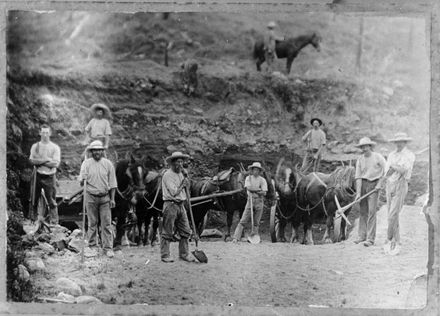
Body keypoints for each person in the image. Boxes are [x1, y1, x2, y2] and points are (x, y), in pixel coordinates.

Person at [79, 140, 117, 258]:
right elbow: (81, 182)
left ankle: (108, 248)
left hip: (105, 197)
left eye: (99, 150)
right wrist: (82, 178)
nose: (97, 152)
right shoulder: (86, 163)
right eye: (95, 150)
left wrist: (112, 199)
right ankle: (92, 247)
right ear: (91, 152)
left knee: (106, 224)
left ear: (102, 151)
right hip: (91, 197)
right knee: (92, 223)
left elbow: (113, 183)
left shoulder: (108, 164)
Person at [160, 151, 196, 263]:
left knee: (186, 230)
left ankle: (184, 254)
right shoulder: (167, 175)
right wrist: (182, 185)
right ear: (172, 163)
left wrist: (187, 183)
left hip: (181, 205)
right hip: (170, 205)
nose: (181, 164)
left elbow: (186, 190)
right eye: (178, 162)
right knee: (167, 231)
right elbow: (174, 192)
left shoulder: (181, 174)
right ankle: (165, 255)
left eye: (182, 162)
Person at [383, 133, 415, 255]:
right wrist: (394, 168)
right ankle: (398, 240)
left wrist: (394, 167)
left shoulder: (409, 155)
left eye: (401, 141)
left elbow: (403, 170)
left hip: (401, 184)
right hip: (389, 184)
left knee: (393, 214)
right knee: (391, 214)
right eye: (397, 141)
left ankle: (388, 238)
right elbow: (388, 171)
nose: (398, 143)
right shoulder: (391, 154)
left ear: (405, 142)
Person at [353, 137, 386, 247]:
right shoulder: (360, 159)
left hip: (374, 185)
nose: (364, 148)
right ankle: (361, 236)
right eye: (362, 147)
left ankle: (370, 239)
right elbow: (358, 177)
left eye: (366, 146)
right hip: (363, 184)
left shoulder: (378, 157)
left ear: (370, 146)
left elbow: (386, 170)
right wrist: (358, 193)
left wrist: (380, 183)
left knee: (372, 212)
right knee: (363, 211)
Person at [29, 124, 61, 226]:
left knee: (51, 201)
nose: (45, 135)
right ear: (40, 133)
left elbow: (55, 164)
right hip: (37, 175)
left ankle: (54, 223)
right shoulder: (35, 146)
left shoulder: (54, 147)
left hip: (50, 176)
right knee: (34, 198)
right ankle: (33, 220)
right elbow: (32, 160)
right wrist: (47, 160)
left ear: (50, 133)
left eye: (47, 132)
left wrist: (40, 162)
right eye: (43, 132)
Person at [232, 162, 268, 243]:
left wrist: (255, 190)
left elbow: (264, 192)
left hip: (259, 201)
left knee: (256, 222)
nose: (255, 171)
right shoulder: (248, 178)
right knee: (243, 220)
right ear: (252, 170)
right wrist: (258, 190)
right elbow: (248, 188)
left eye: (257, 170)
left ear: (259, 171)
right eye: (254, 170)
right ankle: (236, 238)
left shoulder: (262, 180)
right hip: (250, 200)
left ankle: (255, 237)